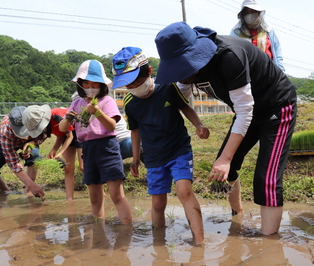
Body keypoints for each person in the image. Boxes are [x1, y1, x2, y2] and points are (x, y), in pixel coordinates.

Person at [154, 21, 297, 235]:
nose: (178, 75)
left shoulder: (229, 57)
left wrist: (226, 159)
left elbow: (245, 111)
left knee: (266, 177)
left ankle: (270, 242)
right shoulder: (187, 72)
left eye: (180, 68)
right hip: (248, 111)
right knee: (225, 167)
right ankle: (237, 217)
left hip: (276, 106)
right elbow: (179, 100)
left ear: (194, 56)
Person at [111, 46, 209, 244]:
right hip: (154, 157)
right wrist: (136, 159)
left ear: (148, 72)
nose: (134, 88)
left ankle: (199, 243)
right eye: (128, 86)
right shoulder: (130, 102)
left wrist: (199, 124)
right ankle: (159, 244)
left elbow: (185, 107)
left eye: (137, 82)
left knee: (184, 191)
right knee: (157, 203)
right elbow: (135, 131)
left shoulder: (167, 87)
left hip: (178, 149)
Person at [59, 59, 132, 224]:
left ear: (102, 85)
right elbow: (63, 128)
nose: (90, 86)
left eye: (95, 83)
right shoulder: (76, 103)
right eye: (86, 83)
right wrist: (68, 118)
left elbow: (111, 125)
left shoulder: (107, 101)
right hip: (88, 149)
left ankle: (127, 228)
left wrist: (98, 113)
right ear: (80, 84)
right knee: (94, 197)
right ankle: (99, 229)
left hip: (107, 148)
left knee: (116, 195)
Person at [0, 105, 50, 201]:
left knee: (34, 158)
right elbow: (13, 163)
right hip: (10, 142)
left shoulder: (34, 118)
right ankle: (7, 192)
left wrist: (31, 143)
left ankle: (28, 192)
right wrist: (32, 185)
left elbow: (44, 135)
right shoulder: (5, 132)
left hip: (31, 140)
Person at [71, 91, 133, 160]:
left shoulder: (104, 107)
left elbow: (111, 126)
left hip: (122, 143)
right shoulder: (84, 116)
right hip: (105, 149)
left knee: (138, 145)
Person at [230, 0, 285, 72]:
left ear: (259, 13)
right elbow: (232, 54)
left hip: (268, 73)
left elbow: (277, 53)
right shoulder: (236, 32)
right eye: (247, 13)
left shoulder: (268, 30)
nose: (250, 15)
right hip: (246, 74)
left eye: (252, 12)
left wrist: (281, 72)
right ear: (242, 15)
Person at [48, 107, 82, 201]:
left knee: (83, 167)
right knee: (68, 168)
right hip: (68, 136)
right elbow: (60, 135)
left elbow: (69, 137)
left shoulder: (56, 116)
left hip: (79, 132)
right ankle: (69, 199)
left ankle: (101, 194)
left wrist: (60, 153)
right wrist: (54, 149)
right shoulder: (47, 124)